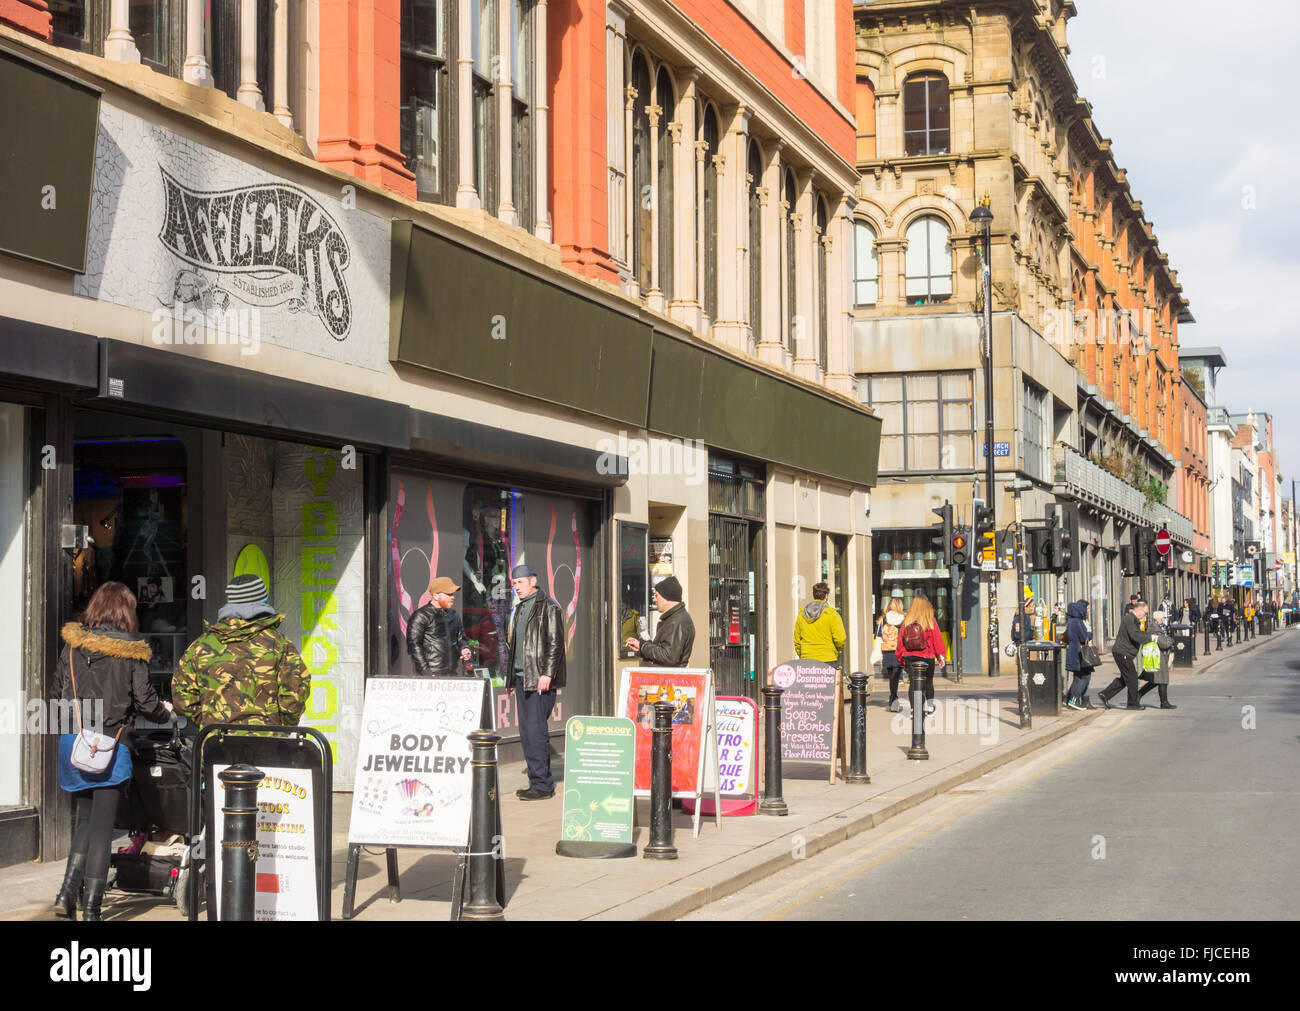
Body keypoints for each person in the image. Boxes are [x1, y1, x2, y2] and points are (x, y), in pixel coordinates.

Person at [51, 581, 174, 921]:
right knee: (103, 829)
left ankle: (65, 894)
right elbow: (146, 701)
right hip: (111, 745)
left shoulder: (72, 646)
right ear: (126, 611)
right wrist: (167, 712)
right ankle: (91, 909)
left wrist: (77, 725)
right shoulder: (131, 651)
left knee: (84, 822)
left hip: (74, 745)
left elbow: (56, 696)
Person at [173, 574, 309, 727]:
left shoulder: (200, 646)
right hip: (268, 743)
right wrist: (280, 726)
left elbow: (182, 695)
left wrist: (208, 722)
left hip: (216, 744)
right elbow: (294, 696)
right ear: (263, 602)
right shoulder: (280, 645)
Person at [508, 564, 567, 800]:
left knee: (535, 731)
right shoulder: (520, 608)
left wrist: (547, 673)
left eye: (520, 583)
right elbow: (516, 646)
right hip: (523, 677)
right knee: (526, 732)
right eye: (514, 584)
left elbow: (555, 643)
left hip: (540, 678)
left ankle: (542, 785)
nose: (516, 588)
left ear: (533, 581)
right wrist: (511, 679)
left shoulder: (549, 607)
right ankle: (536, 781)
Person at [407, 575, 473, 675]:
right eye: (448, 594)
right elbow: (414, 646)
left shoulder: (454, 615)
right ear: (436, 596)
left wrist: (465, 649)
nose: (452, 597)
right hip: (431, 673)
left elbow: (461, 639)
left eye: (452, 593)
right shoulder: (421, 616)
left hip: (452, 673)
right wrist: (426, 671)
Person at [894, 594, 946, 717]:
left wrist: (901, 658)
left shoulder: (906, 621)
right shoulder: (929, 620)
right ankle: (929, 707)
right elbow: (937, 640)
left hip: (909, 656)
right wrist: (941, 657)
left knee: (913, 683)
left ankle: (913, 710)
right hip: (927, 656)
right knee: (928, 682)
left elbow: (900, 642)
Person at [626, 576, 695, 667]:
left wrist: (643, 647)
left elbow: (669, 656)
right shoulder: (674, 618)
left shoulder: (678, 621)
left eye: (657, 595)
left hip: (666, 679)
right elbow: (663, 650)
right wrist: (641, 645)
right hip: (662, 677)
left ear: (666, 596)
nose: (654, 599)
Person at [1097, 600, 1148, 710]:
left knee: (1126, 679)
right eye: (1145, 613)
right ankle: (1132, 704)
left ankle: (1105, 694)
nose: (1145, 615)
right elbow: (1135, 635)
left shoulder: (1132, 619)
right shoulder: (1130, 619)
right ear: (1139, 610)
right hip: (1122, 652)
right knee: (1132, 678)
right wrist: (1149, 638)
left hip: (1124, 652)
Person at [793, 582, 846, 667]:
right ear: (826, 596)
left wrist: (802, 654)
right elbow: (840, 639)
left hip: (807, 659)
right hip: (828, 659)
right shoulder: (832, 614)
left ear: (814, 595)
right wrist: (836, 650)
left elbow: (797, 641)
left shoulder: (802, 615)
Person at [1138, 609, 1177, 709]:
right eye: (1163, 617)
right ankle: (1164, 702)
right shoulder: (1156, 628)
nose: (1164, 619)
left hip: (1159, 655)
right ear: (1159, 618)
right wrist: (1171, 641)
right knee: (1162, 679)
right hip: (1158, 656)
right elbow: (1163, 643)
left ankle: (1138, 695)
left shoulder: (1159, 627)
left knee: (1156, 680)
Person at [1064, 600, 1096, 710]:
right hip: (1079, 653)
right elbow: (1084, 637)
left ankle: (1070, 699)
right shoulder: (1078, 622)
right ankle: (1074, 699)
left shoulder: (1070, 621)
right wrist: (1090, 634)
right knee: (1084, 677)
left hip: (1073, 652)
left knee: (1078, 677)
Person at [877, 595, 906, 712]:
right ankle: (893, 698)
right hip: (899, 650)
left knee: (892, 677)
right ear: (900, 606)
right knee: (896, 676)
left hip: (887, 650)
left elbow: (878, 635)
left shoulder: (884, 619)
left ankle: (893, 697)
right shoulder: (904, 619)